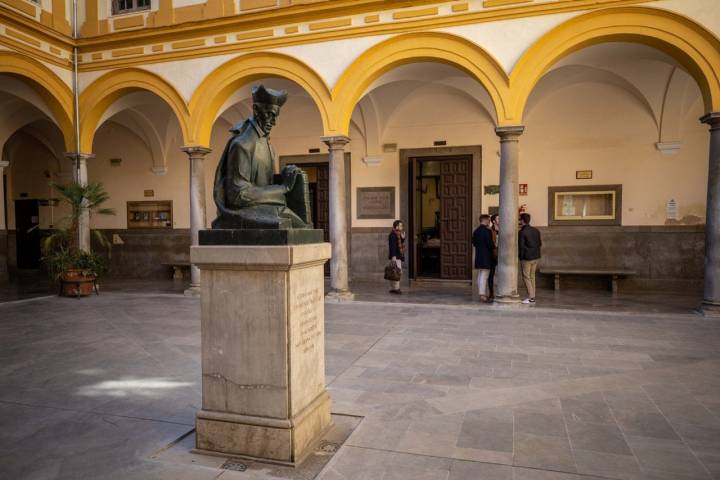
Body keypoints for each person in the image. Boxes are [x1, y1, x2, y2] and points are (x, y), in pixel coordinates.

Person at [212, 84, 311, 229]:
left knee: (300, 224)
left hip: (264, 205)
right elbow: (238, 196)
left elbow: (267, 184)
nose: (274, 122)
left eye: (275, 116)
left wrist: (289, 176)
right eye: (269, 114)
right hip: (242, 210)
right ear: (256, 110)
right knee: (288, 220)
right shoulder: (243, 145)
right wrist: (282, 188)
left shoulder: (266, 143)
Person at [518, 213, 542, 304]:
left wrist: (521, 257)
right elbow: (540, 244)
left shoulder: (522, 232)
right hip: (536, 256)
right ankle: (533, 296)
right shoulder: (536, 230)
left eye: (519, 220)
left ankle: (531, 298)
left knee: (526, 277)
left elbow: (521, 246)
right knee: (532, 276)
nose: (519, 221)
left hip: (527, 258)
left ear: (522, 221)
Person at [472, 215, 495, 302]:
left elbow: (474, 243)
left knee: (480, 274)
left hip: (479, 255)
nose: (489, 222)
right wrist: (495, 245)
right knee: (484, 276)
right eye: (489, 220)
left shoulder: (476, 231)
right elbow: (490, 245)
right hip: (486, 256)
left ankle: (481, 293)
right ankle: (482, 295)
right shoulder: (486, 231)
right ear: (485, 220)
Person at [388, 220, 406, 294]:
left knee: (394, 272)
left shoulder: (398, 234)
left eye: (402, 225)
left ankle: (393, 288)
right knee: (397, 272)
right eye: (400, 225)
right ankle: (396, 288)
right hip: (395, 256)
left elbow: (400, 245)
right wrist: (393, 256)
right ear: (396, 226)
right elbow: (392, 246)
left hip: (398, 256)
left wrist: (403, 238)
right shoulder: (392, 235)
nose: (402, 227)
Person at [488, 214, 499, 299]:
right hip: (492, 254)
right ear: (494, 221)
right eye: (498, 218)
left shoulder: (504, 229)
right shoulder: (490, 231)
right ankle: (491, 292)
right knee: (491, 275)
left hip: (503, 255)